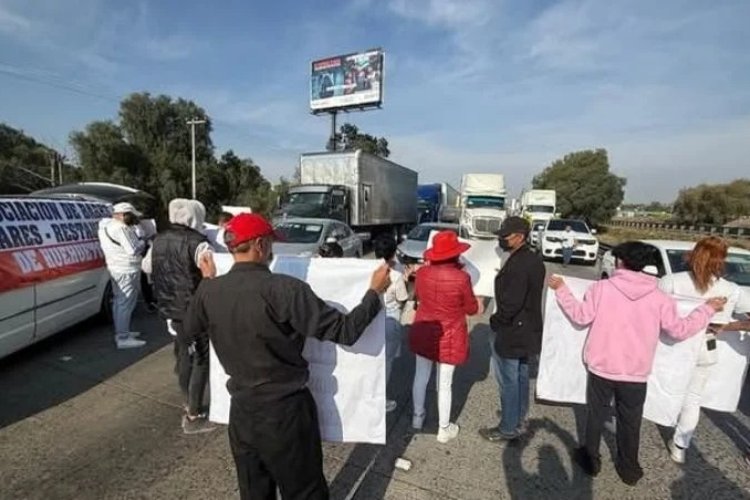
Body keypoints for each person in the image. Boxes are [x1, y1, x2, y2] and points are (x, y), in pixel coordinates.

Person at [183, 213, 390, 499]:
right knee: (304, 492)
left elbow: (189, 330)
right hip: (285, 414)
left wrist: (206, 281)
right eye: (270, 243)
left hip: (242, 412)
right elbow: (346, 332)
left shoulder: (210, 291)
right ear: (259, 245)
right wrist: (373, 293)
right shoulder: (284, 289)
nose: (272, 250)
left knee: (254, 492)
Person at [548, 241, 726, 486]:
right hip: (636, 373)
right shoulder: (660, 297)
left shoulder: (602, 288)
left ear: (622, 262)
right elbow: (679, 330)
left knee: (595, 415)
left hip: (601, 366)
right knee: (630, 421)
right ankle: (629, 468)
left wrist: (562, 289)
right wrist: (707, 309)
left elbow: (581, 316)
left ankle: (591, 459)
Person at [659, 237, 750, 464]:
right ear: (721, 261)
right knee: (693, 398)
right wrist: (726, 326)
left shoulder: (671, 281)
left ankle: (654, 417)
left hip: (671, 345)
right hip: (705, 347)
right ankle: (680, 446)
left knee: (660, 386)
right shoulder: (731, 289)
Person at [150, 199, 217, 435]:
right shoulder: (198, 243)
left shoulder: (157, 239)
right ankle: (194, 414)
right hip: (194, 309)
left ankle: (186, 400)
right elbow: (210, 273)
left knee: (182, 354)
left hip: (170, 308)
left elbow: (147, 267)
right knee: (201, 358)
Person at [410, 230, 481, 443]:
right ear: (455, 255)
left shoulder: (422, 273)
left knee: (420, 376)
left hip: (425, 328)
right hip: (450, 334)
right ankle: (443, 429)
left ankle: (417, 417)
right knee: (444, 383)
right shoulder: (462, 278)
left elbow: (420, 297)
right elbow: (471, 308)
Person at [479, 217, 545, 443]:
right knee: (520, 376)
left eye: (505, 236)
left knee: (508, 380)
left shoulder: (519, 264)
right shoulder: (533, 259)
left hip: (512, 330)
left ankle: (507, 428)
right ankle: (518, 418)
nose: (501, 239)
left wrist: (497, 320)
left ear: (520, 236)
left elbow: (512, 303)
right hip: (528, 329)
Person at [98, 202, 149, 349]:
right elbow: (132, 250)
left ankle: (122, 331)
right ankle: (123, 337)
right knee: (125, 303)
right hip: (127, 268)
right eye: (131, 215)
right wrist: (142, 241)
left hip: (115, 267)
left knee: (119, 301)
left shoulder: (106, 227)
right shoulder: (121, 228)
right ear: (122, 215)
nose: (133, 219)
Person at [373, 234, 411, 413]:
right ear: (394, 252)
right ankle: (381, 401)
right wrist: (406, 279)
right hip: (391, 320)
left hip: (371, 319)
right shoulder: (395, 274)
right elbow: (403, 298)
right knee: (385, 365)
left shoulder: (370, 269)